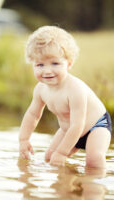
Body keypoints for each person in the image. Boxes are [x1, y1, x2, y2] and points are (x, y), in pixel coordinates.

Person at [19, 26, 112, 168]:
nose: (47, 71)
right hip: (67, 129)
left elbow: (78, 125)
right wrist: (24, 139)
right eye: (40, 65)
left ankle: (95, 186)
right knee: (50, 157)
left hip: (96, 126)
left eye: (55, 63)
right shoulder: (40, 89)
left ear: (69, 63)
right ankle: (67, 186)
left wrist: (62, 153)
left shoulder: (75, 89)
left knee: (94, 160)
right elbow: (32, 115)